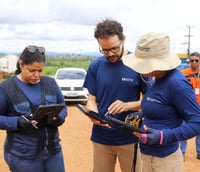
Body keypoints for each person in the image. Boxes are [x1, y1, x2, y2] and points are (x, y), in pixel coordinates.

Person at [122, 32, 200, 172]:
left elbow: (197, 123)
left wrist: (163, 136)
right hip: (147, 155)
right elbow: (162, 106)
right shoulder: (155, 78)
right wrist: (141, 114)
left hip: (165, 161)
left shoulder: (177, 84)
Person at [83, 19, 149, 172]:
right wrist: (92, 113)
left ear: (123, 39)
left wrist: (128, 105)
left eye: (114, 48)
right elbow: (91, 99)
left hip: (130, 137)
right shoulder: (96, 65)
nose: (110, 54)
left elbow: (150, 99)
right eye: (105, 50)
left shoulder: (138, 64)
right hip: (101, 137)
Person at [0, 45, 67, 172]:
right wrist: (18, 122)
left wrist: (58, 118)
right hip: (23, 156)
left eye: (40, 70)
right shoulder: (6, 88)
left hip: (53, 151)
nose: (37, 75)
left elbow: (63, 108)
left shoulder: (51, 83)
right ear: (21, 64)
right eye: (32, 70)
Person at [179, 52, 200, 160]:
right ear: (189, 61)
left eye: (196, 60)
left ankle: (199, 152)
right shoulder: (183, 74)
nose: (194, 62)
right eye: (192, 60)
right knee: (184, 129)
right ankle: (181, 152)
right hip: (186, 107)